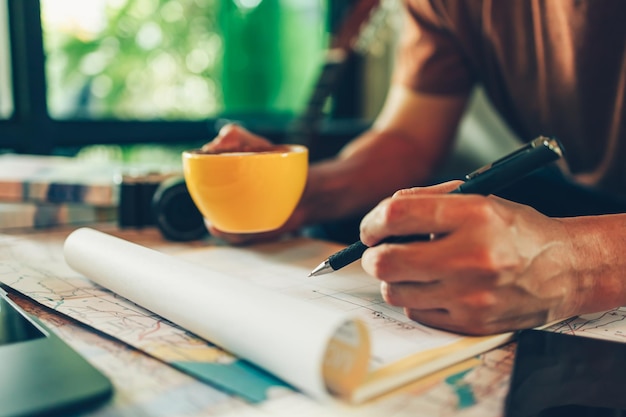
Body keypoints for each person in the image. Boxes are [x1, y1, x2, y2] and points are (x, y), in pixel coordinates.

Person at [201, 1, 626, 336]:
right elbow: (409, 137)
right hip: (585, 192)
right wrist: (304, 191)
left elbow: (579, 261)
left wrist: (579, 266)